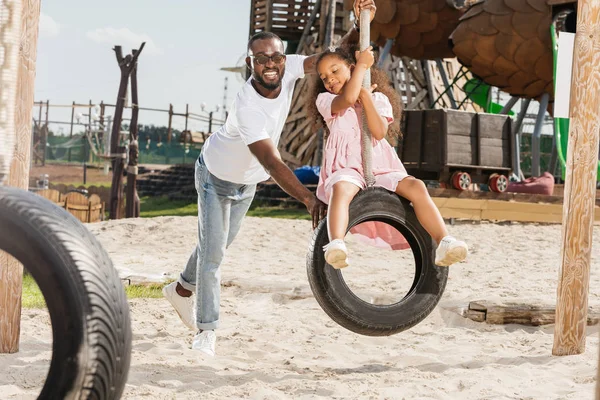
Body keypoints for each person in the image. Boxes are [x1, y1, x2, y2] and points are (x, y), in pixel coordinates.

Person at [162, 0, 378, 357]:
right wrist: (309, 199)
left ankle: (182, 289)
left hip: (246, 183)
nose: (270, 64)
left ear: (283, 57)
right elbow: (272, 162)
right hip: (215, 177)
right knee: (214, 254)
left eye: (275, 57)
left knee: (214, 244)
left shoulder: (290, 66)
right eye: (260, 59)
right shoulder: (248, 106)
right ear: (250, 63)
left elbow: (333, 56)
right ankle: (206, 330)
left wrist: (360, 22)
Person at [308, 44, 469, 270]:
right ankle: (336, 243)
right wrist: (363, 67)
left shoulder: (379, 99)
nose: (329, 80)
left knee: (416, 186)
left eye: (335, 71)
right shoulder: (325, 100)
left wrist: (366, 98)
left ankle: (444, 240)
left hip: (379, 167)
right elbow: (347, 98)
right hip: (347, 169)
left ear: (351, 69)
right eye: (324, 77)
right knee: (341, 189)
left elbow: (379, 131)